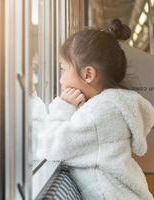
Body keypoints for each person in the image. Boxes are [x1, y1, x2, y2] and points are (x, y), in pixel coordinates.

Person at [32, 19, 154, 200]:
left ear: (88, 74)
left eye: (63, 69)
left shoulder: (100, 113)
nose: (61, 80)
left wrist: (63, 106)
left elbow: (49, 147)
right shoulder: (112, 105)